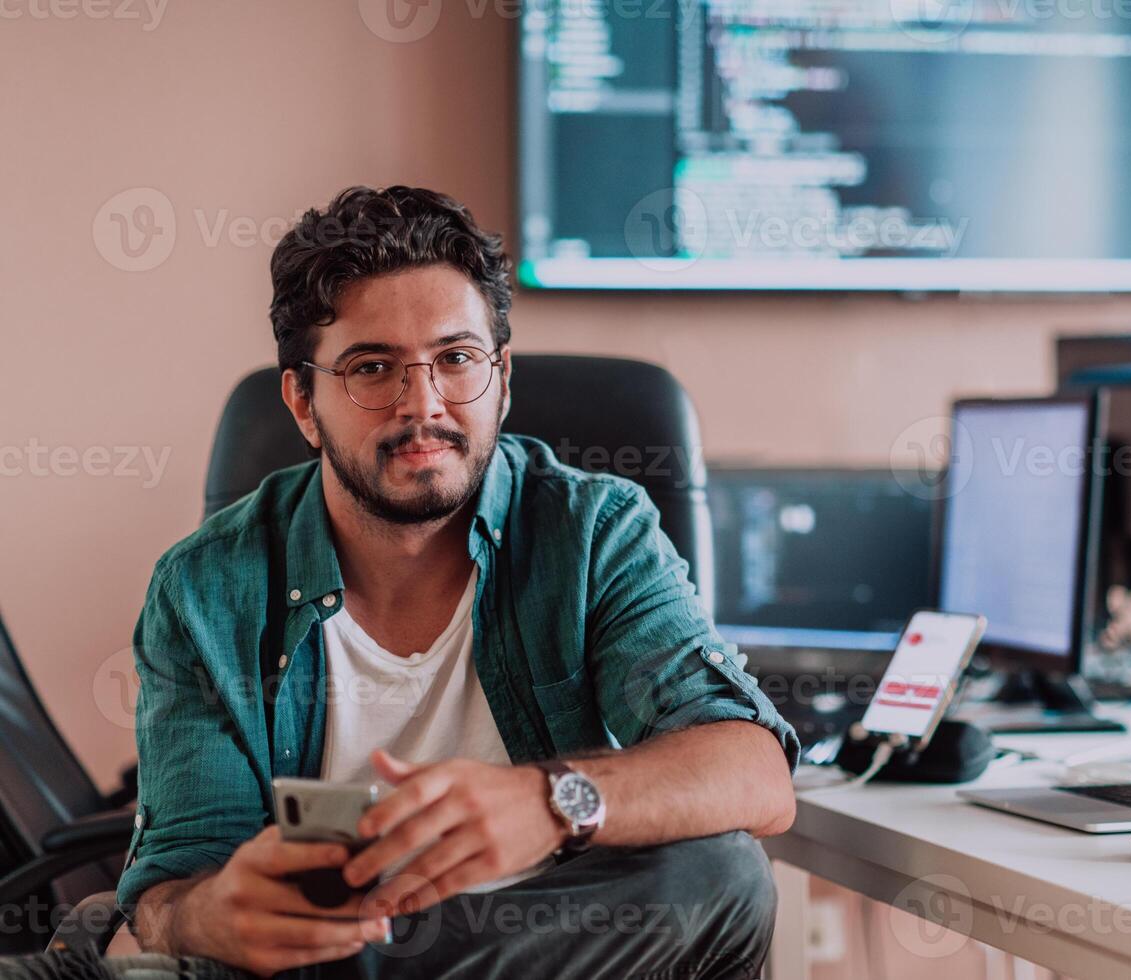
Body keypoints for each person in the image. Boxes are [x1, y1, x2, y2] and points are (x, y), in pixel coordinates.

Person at [2, 186, 798, 980]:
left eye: (456, 360)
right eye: (372, 368)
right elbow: (172, 891)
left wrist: (547, 803)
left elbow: (752, 773)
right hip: (295, 954)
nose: (424, 406)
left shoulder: (594, 532)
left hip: (547, 946)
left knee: (721, 879)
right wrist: (218, 911)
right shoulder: (205, 585)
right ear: (304, 403)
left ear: (503, 378)